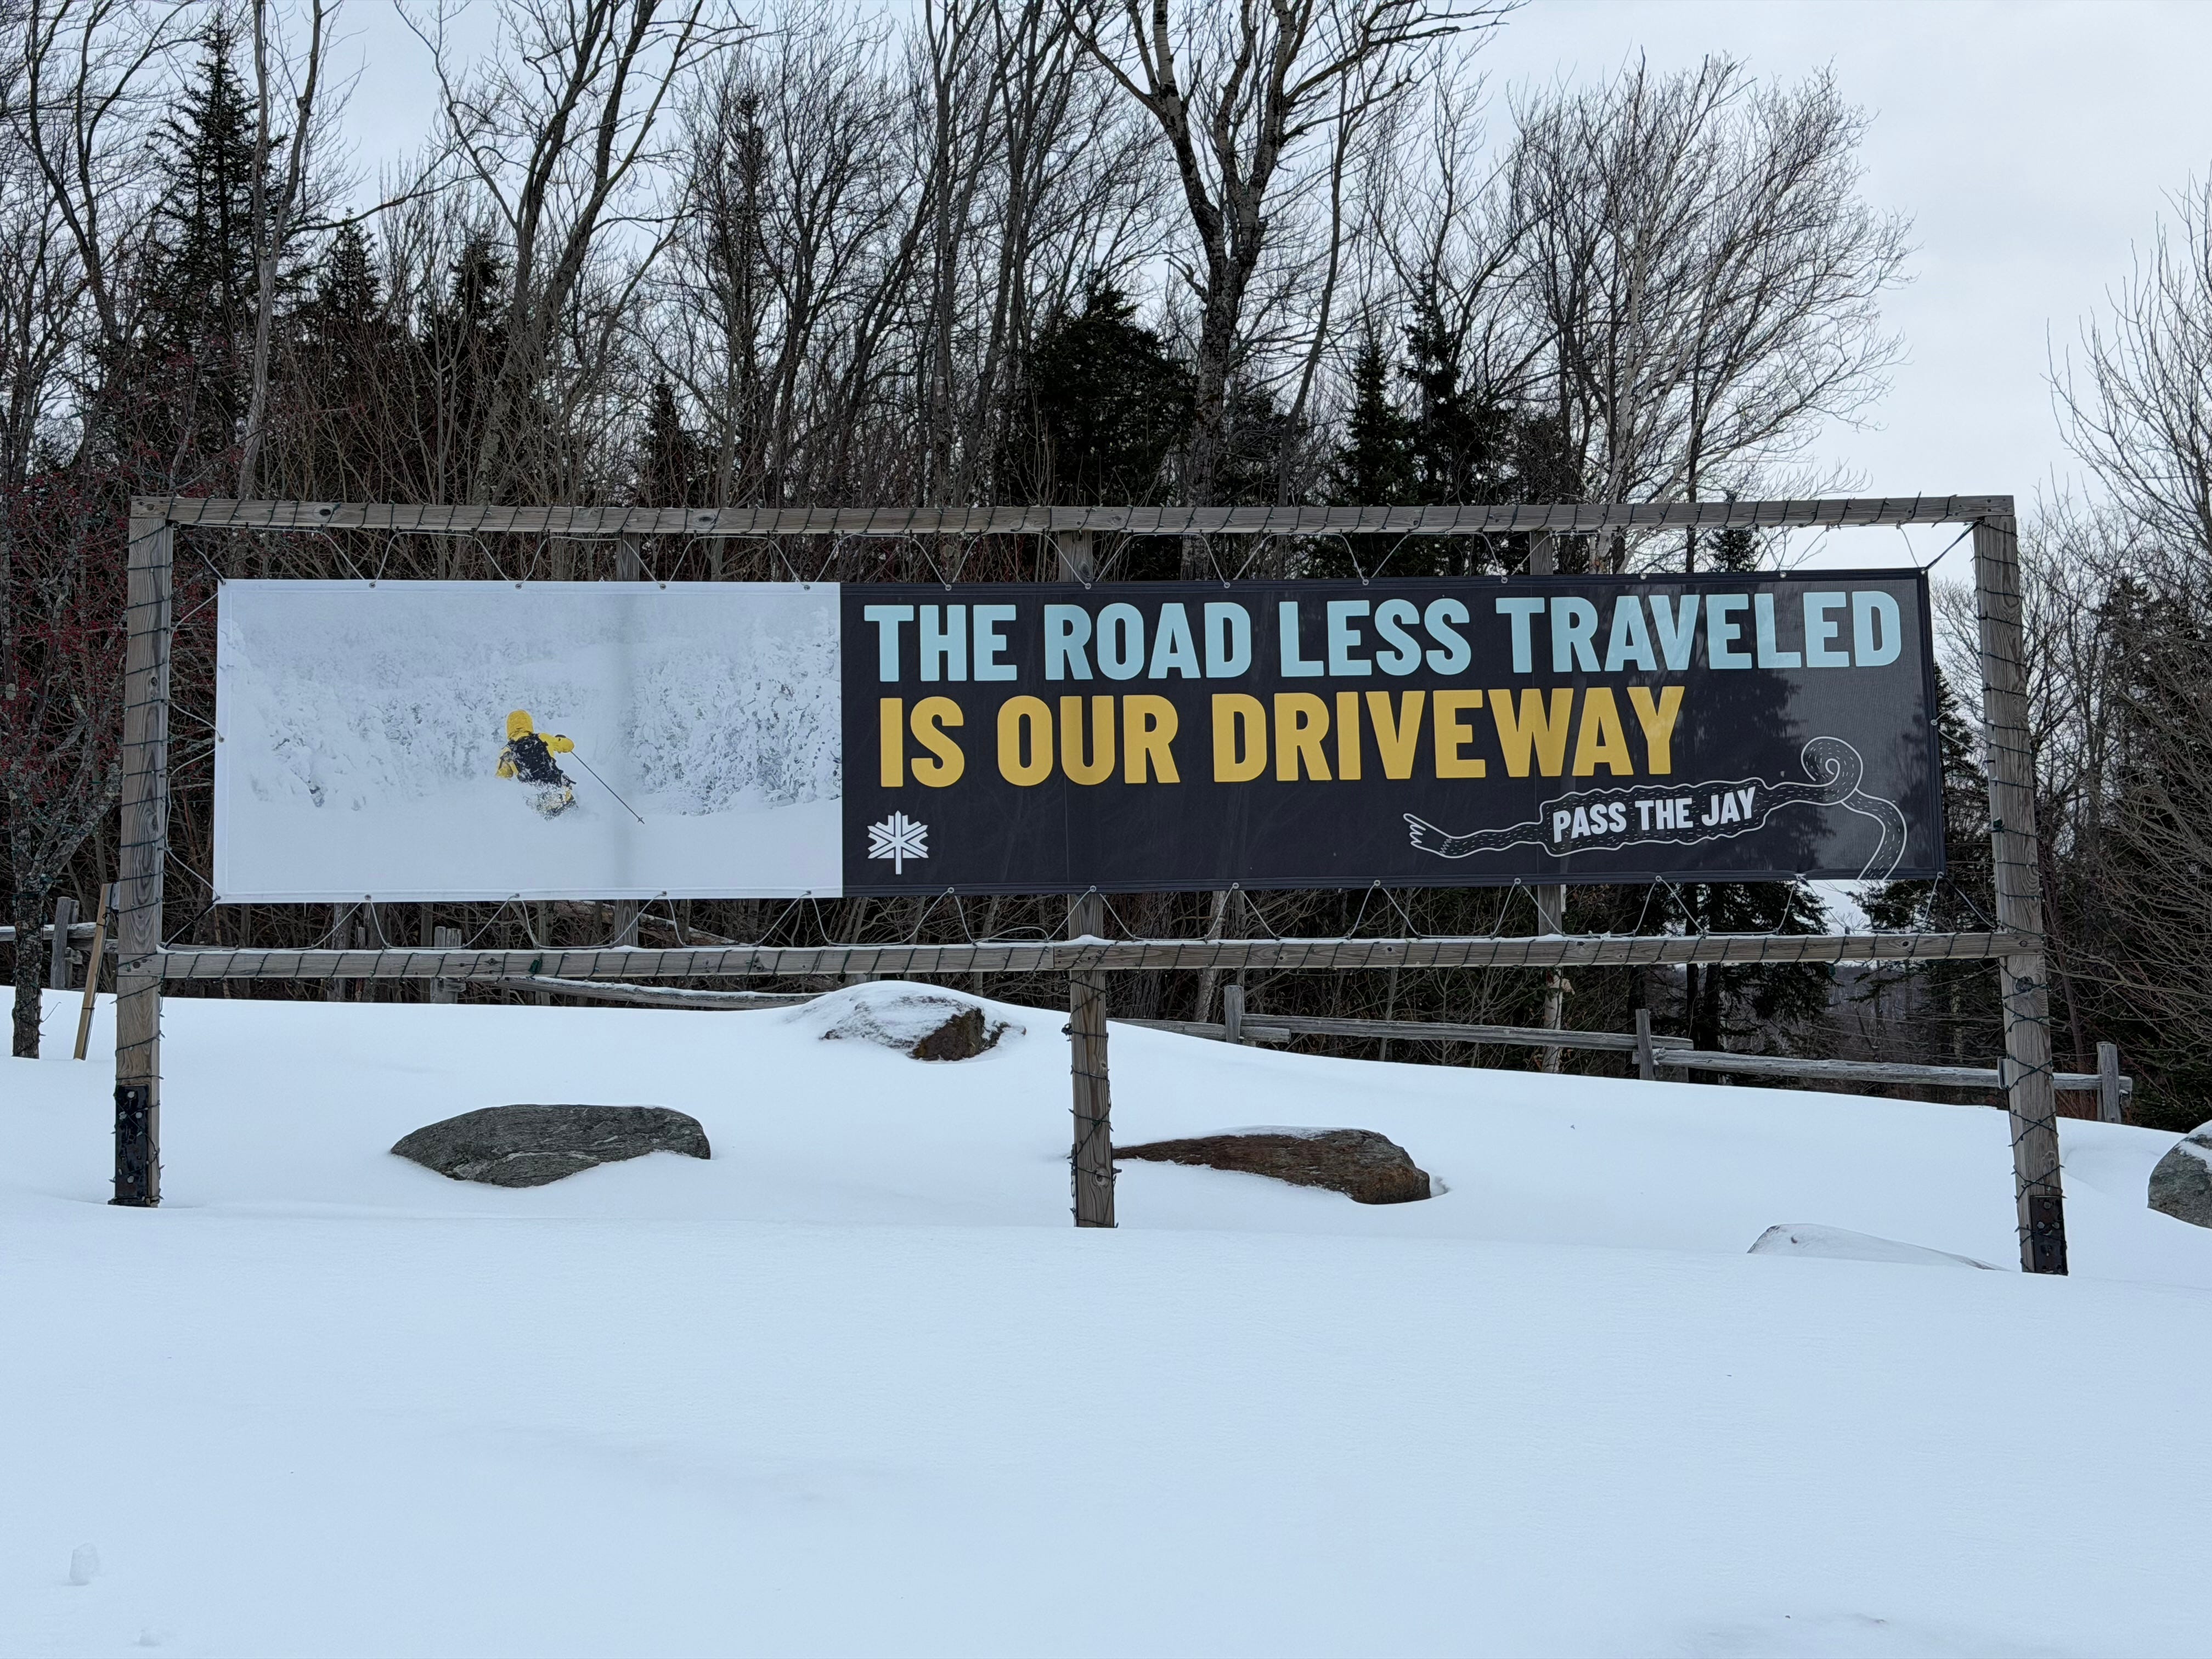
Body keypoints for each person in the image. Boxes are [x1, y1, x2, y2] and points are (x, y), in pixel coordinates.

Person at [496, 710, 577, 817]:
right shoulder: (542, 738)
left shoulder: (507, 752)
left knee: (554, 832)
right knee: (578, 823)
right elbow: (569, 746)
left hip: (541, 805)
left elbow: (501, 778)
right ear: (529, 723)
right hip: (562, 794)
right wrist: (561, 739)